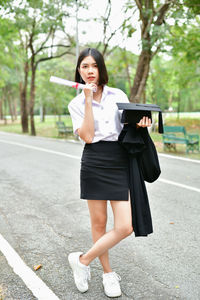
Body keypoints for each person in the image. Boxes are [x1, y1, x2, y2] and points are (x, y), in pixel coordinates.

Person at [68, 48, 151, 298]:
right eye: (84, 66)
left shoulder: (117, 95)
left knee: (125, 226)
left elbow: (128, 125)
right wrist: (86, 99)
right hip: (94, 161)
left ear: (100, 68)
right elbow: (89, 136)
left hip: (119, 159)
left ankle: (82, 260)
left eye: (94, 66)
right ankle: (107, 273)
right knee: (99, 224)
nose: (89, 71)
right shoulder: (75, 103)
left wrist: (141, 123)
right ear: (79, 71)